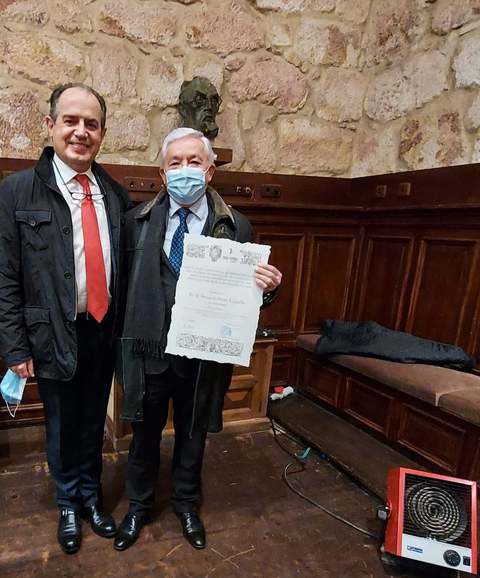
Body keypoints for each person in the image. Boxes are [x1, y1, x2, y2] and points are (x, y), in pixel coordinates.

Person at [113, 127, 282, 552]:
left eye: (194, 162)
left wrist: (269, 286)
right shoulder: (135, 222)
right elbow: (120, 291)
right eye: (175, 163)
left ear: (209, 172)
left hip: (202, 356)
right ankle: (138, 506)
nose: (184, 170)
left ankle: (187, 505)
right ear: (162, 172)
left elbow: (247, 294)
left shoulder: (236, 226)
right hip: (149, 352)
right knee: (144, 435)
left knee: (192, 436)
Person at [0, 84, 132, 555]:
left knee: (94, 422)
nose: (80, 132)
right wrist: (14, 349)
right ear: (50, 126)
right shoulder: (17, 190)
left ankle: (92, 497)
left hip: (102, 330)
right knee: (61, 424)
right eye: (71, 121)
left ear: (103, 134)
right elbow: (4, 275)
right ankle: (68, 503)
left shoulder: (114, 193)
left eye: (91, 124)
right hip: (50, 332)